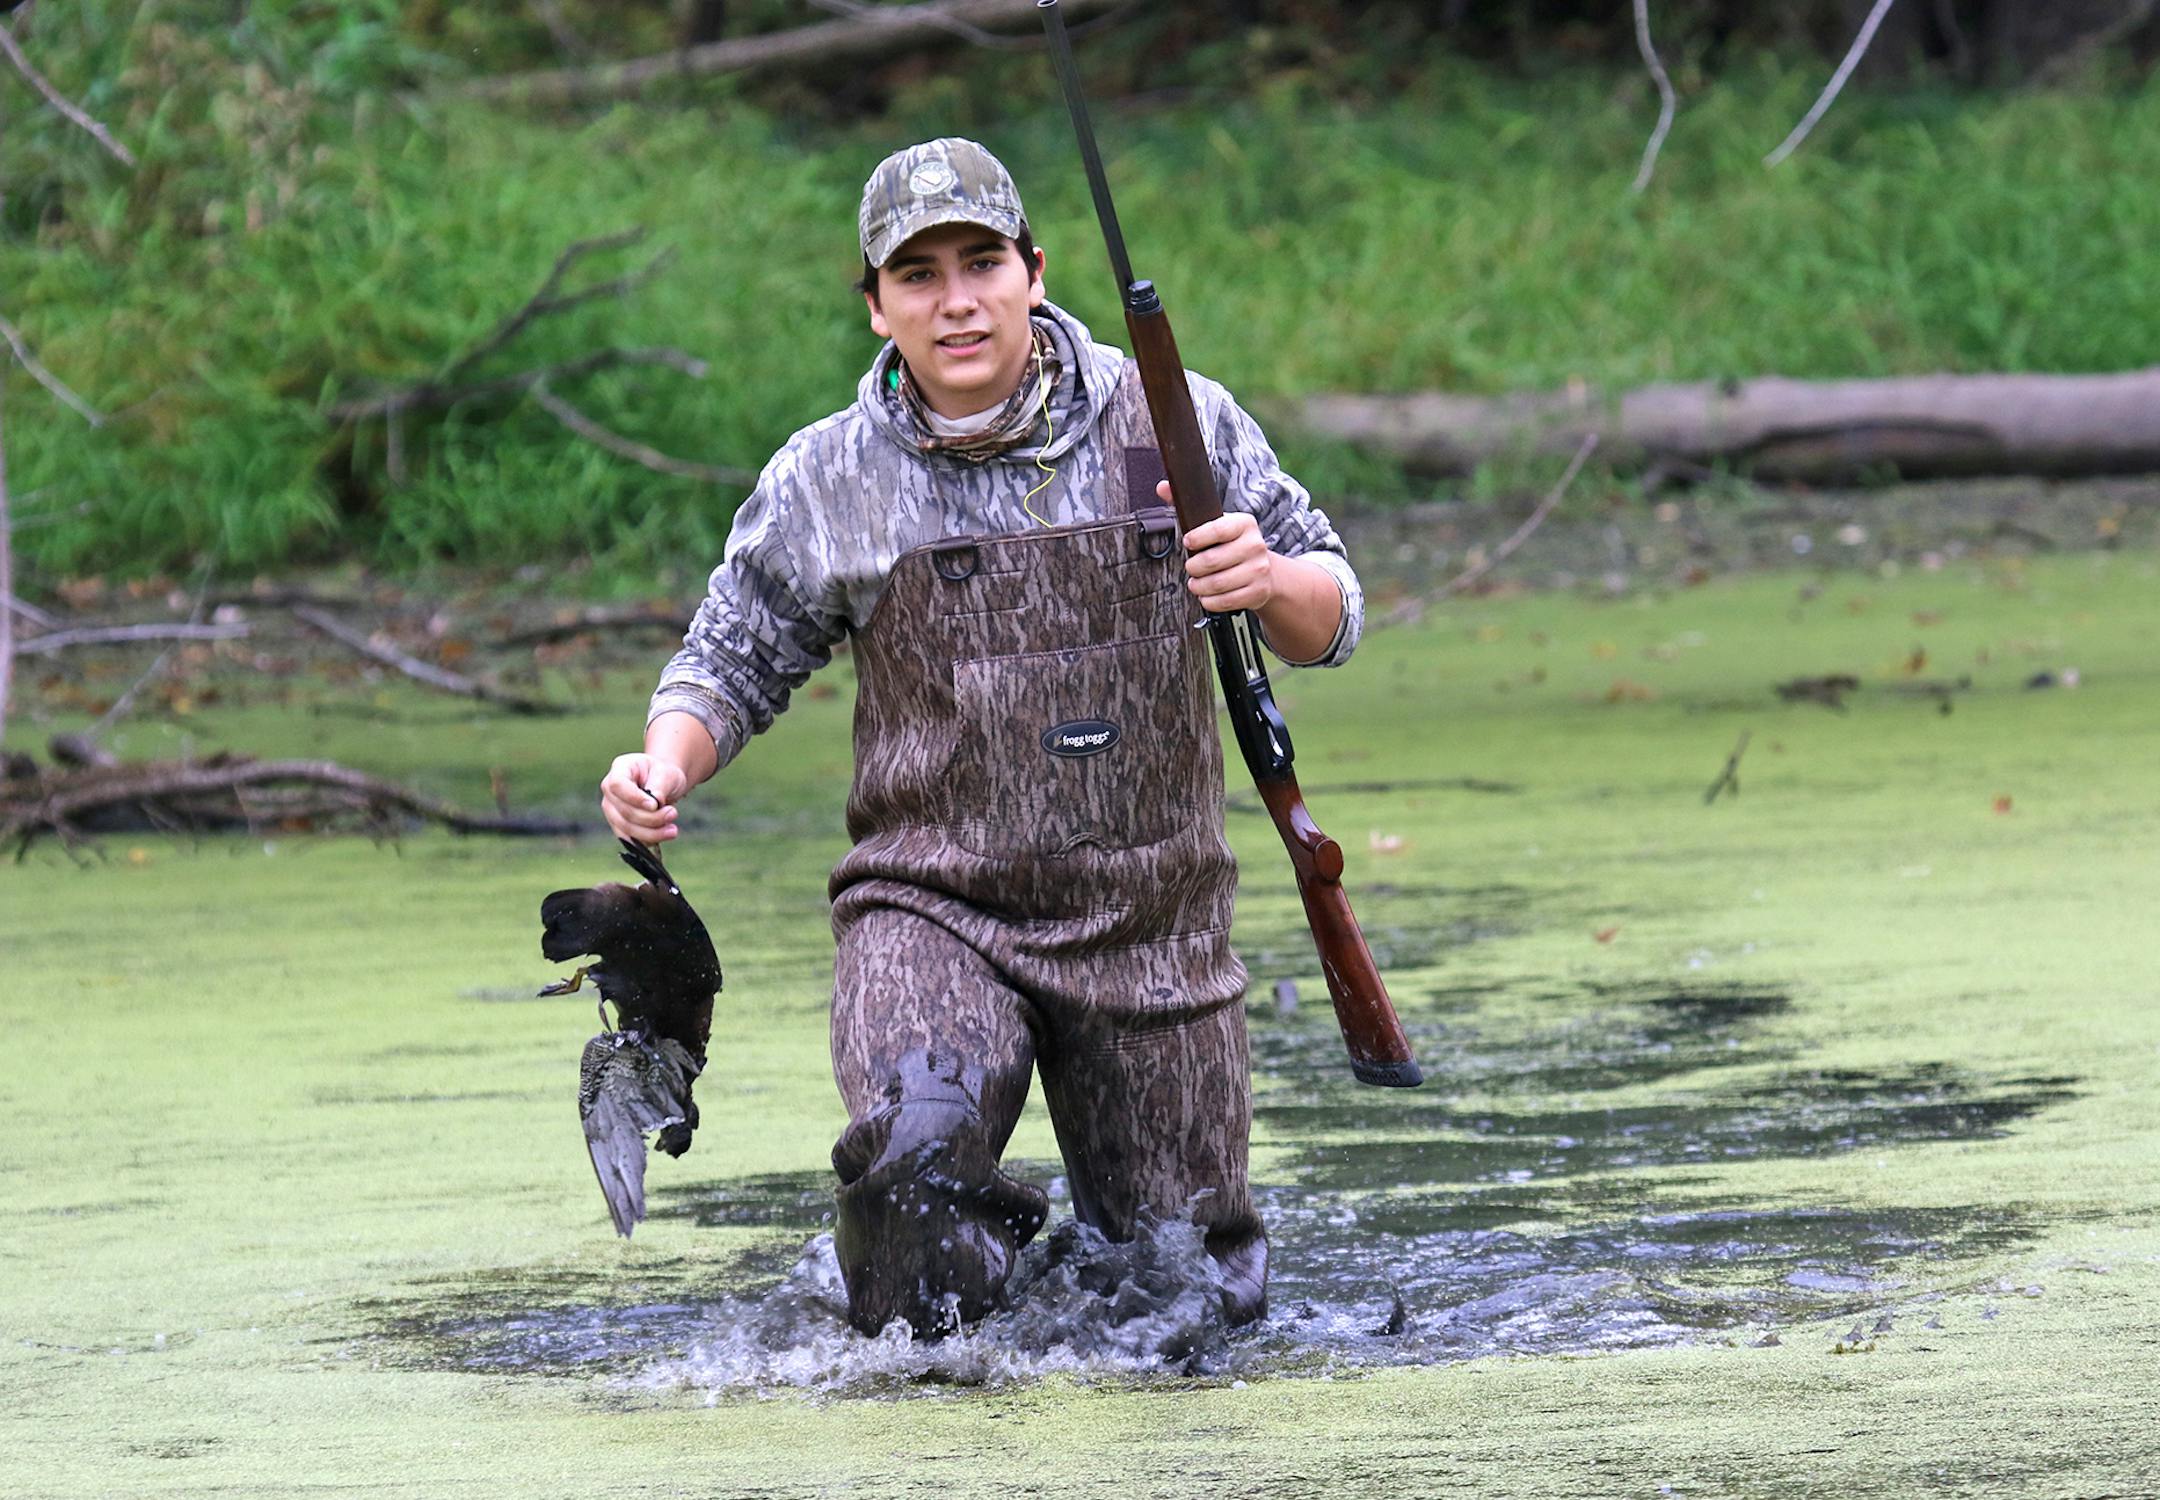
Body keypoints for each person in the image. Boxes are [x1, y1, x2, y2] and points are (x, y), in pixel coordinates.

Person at [599, 137, 1365, 1336]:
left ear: (1035, 271)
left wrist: (1268, 579)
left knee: (1192, 1309)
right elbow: (729, 659)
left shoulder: (1172, 419)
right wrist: (663, 760)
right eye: (917, 275)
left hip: (1154, 923)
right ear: (874, 308)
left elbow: (1334, 616)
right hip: (934, 915)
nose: (956, 300)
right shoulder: (827, 477)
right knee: (912, 1172)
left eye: (982, 261)